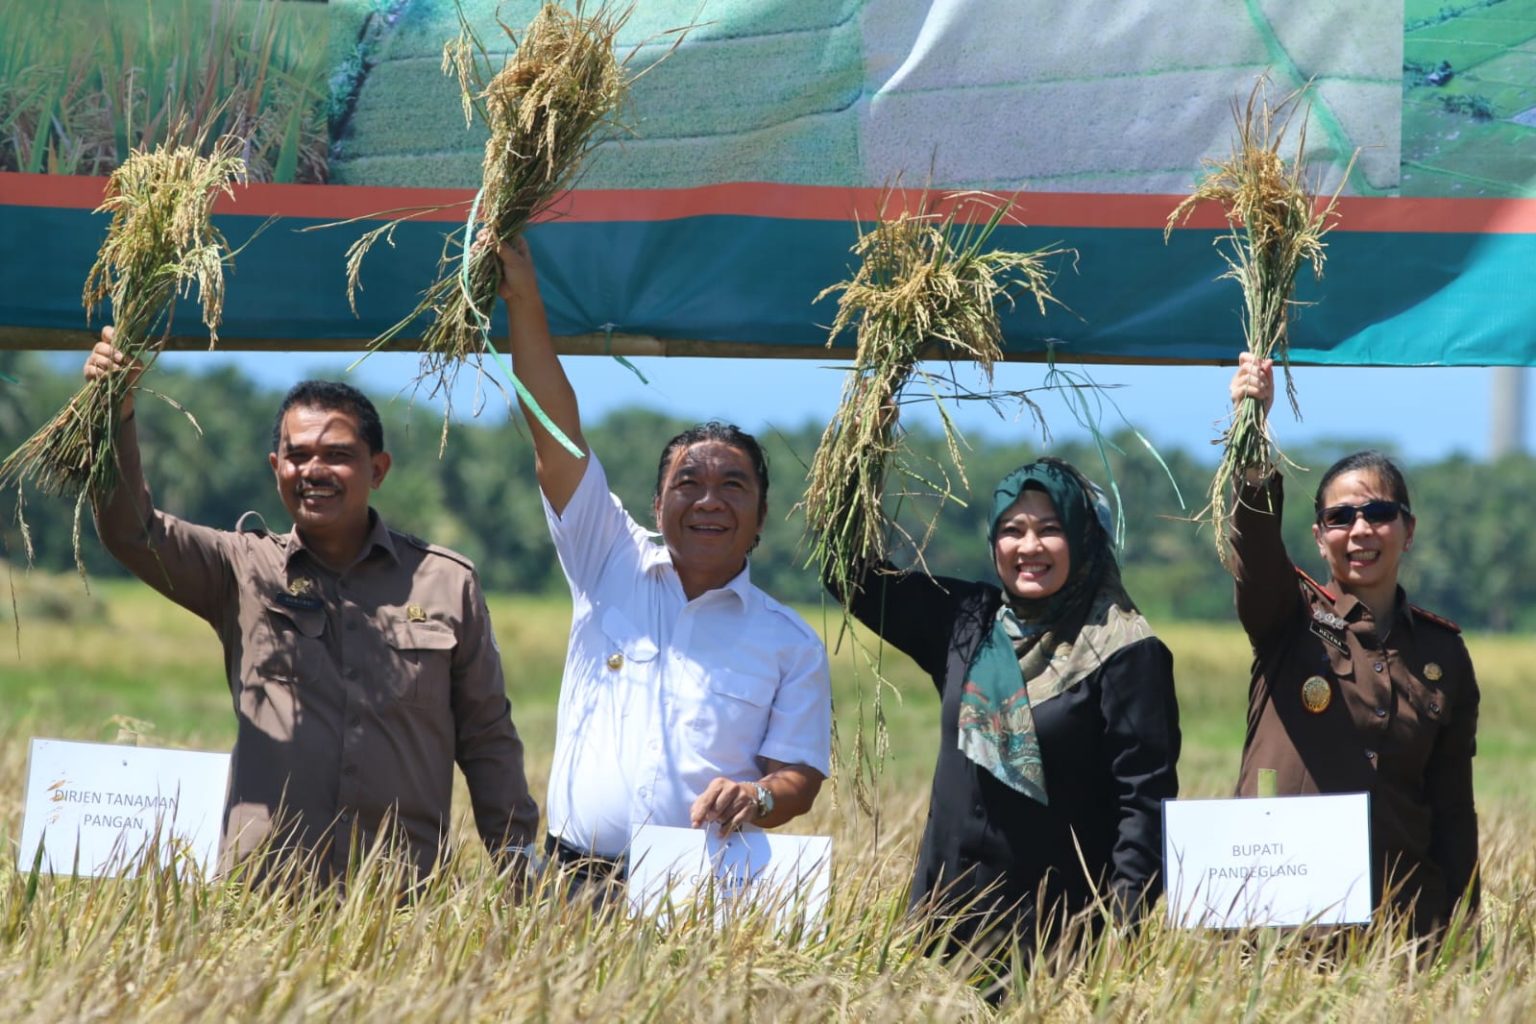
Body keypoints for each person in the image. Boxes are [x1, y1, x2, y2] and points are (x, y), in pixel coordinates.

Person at [86, 330, 539, 882]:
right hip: (262, 895)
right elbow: (133, 532)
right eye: (297, 455)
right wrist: (114, 410)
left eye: (338, 456)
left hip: (399, 900)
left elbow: (486, 735)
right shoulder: (240, 569)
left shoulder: (445, 582)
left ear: (378, 470)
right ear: (276, 465)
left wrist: (517, 866)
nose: (313, 470)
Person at [492, 238, 832, 880]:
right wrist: (524, 299)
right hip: (571, 883)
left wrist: (755, 796)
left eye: (733, 487)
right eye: (688, 484)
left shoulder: (791, 644)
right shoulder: (607, 560)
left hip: (699, 892)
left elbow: (799, 778)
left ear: (761, 519)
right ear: (655, 505)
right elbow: (555, 435)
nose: (709, 501)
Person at [826, 453, 1181, 953]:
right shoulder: (968, 620)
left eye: (1050, 529)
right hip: (943, 932)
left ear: (1084, 538)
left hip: (1056, 943)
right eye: (1012, 529)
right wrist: (868, 449)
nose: (1029, 546)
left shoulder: (1123, 648)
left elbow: (1143, 805)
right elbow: (847, 572)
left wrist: (1118, 933)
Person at [1228, 353, 1480, 935]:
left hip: (1400, 932)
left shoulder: (1444, 654)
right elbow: (1258, 557)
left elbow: (1452, 810)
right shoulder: (1287, 619)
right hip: (1282, 931)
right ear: (1319, 538)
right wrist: (1252, 432)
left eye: (1379, 513)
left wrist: (1462, 940)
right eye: (1341, 517)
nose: (1361, 530)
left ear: (1407, 531)